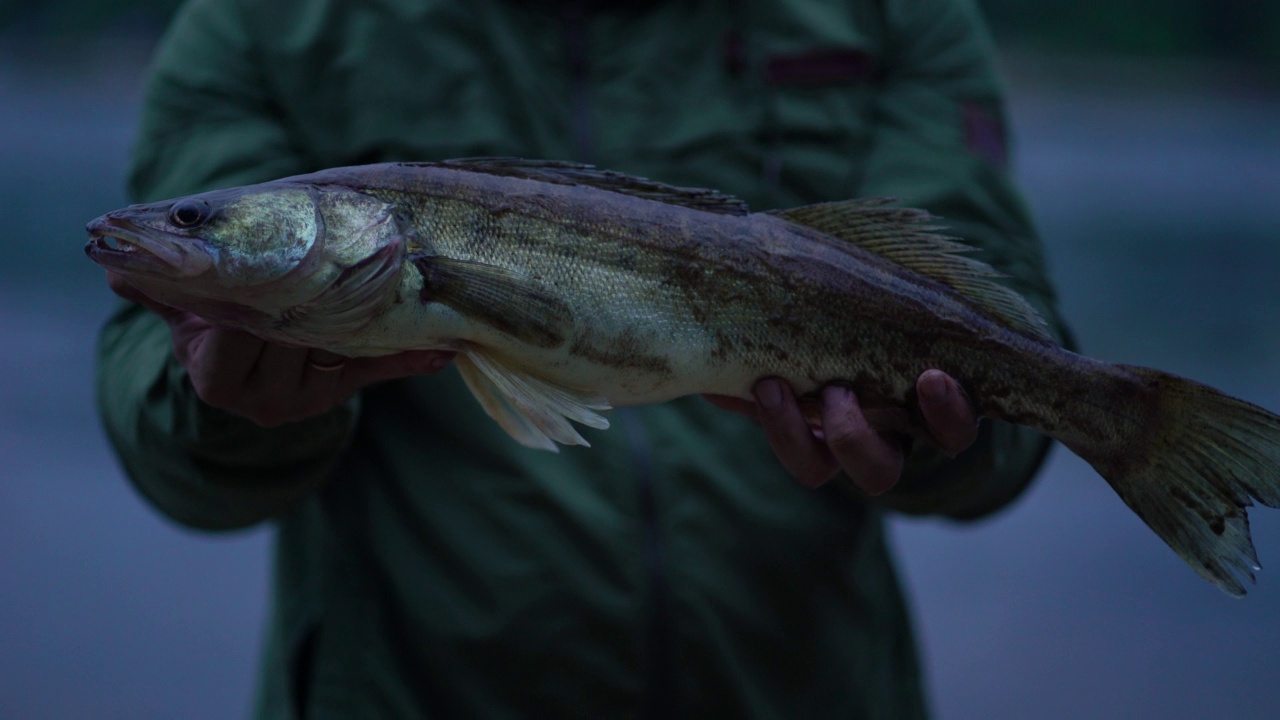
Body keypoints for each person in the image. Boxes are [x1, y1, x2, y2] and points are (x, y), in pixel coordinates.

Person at [96, 0, 1070, 717]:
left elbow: (1013, 361)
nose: (177, 231)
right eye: (199, 219)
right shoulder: (256, 26)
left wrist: (942, 436)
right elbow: (163, 428)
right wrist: (216, 406)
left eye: (199, 224)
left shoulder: (894, 16)